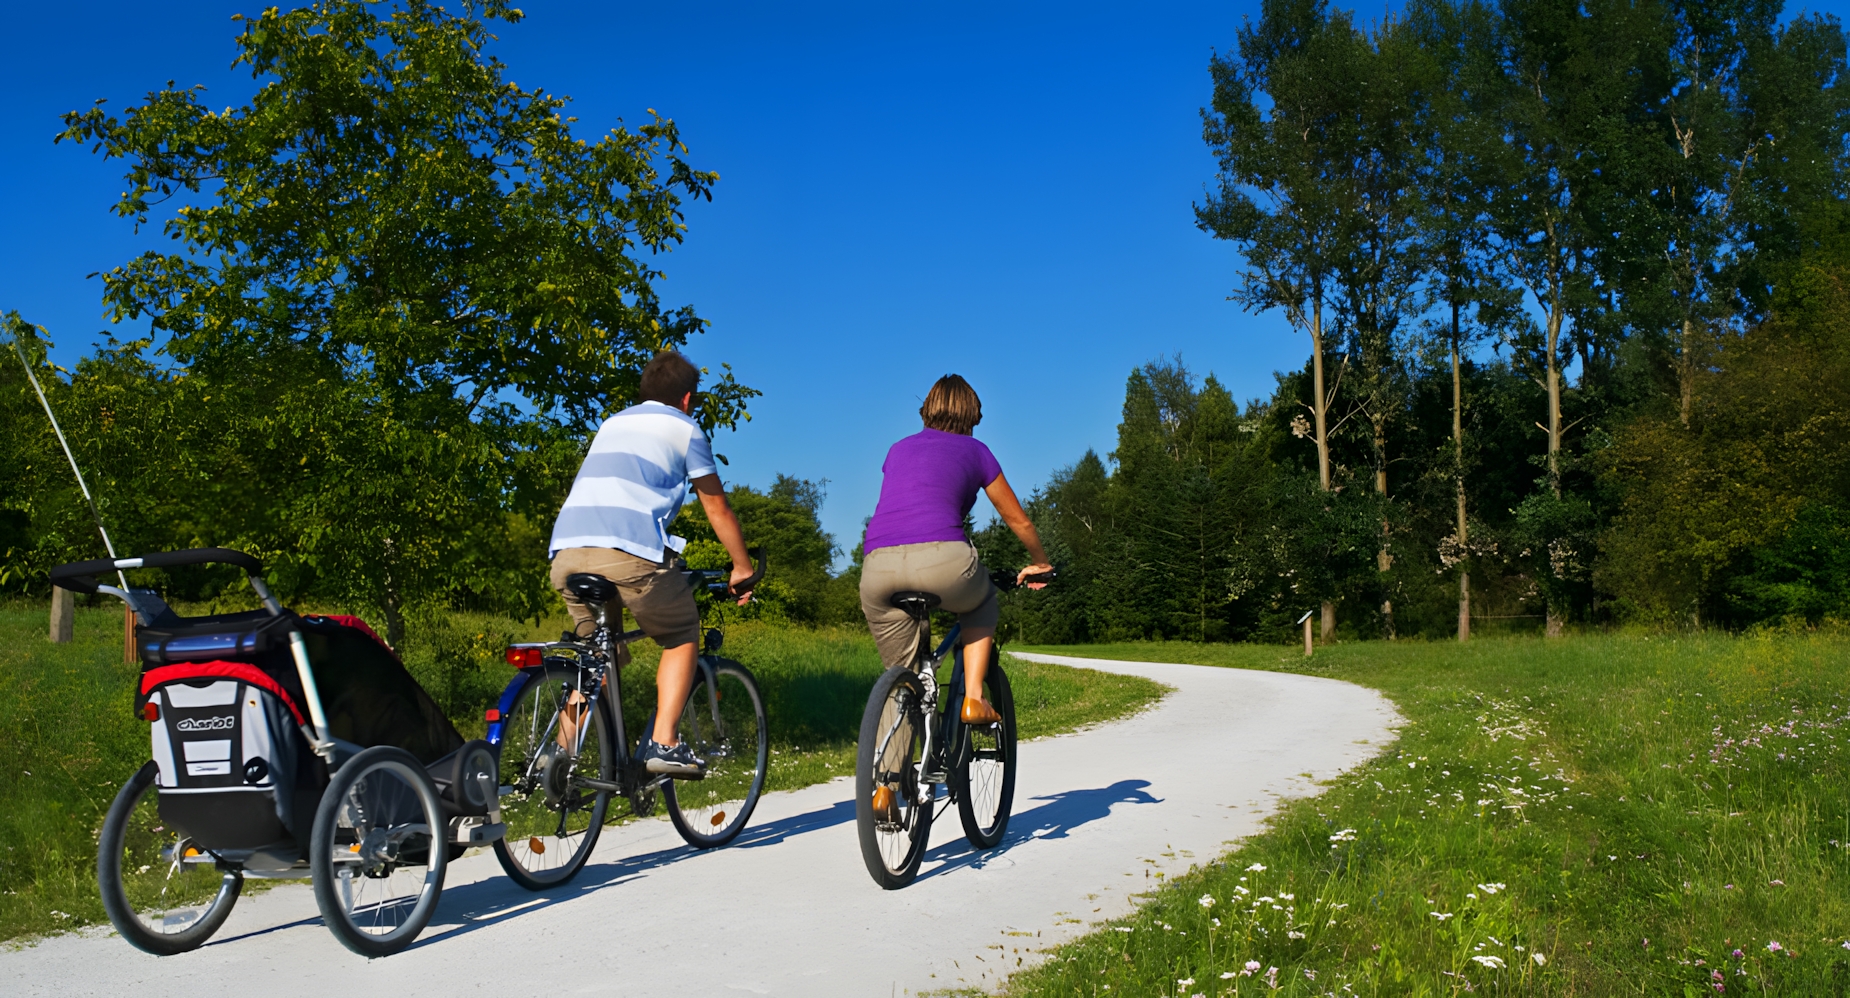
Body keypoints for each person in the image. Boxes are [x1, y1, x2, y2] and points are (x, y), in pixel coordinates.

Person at [548, 350, 756, 777]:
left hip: (566, 553)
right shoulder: (685, 429)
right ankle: (665, 742)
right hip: (626, 554)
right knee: (681, 631)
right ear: (686, 399)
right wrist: (741, 566)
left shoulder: (612, 423)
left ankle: (558, 761)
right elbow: (716, 507)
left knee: (598, 660)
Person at [859, 373, 1053, 727]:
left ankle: (884, 782)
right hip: (943, 558)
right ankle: (975, 699)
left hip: (876, 567)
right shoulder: (975, 450)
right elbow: (1019, 522)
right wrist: (1040, 562)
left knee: (904, 682)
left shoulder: (897, 449)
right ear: (971, 417)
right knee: (983, 602)